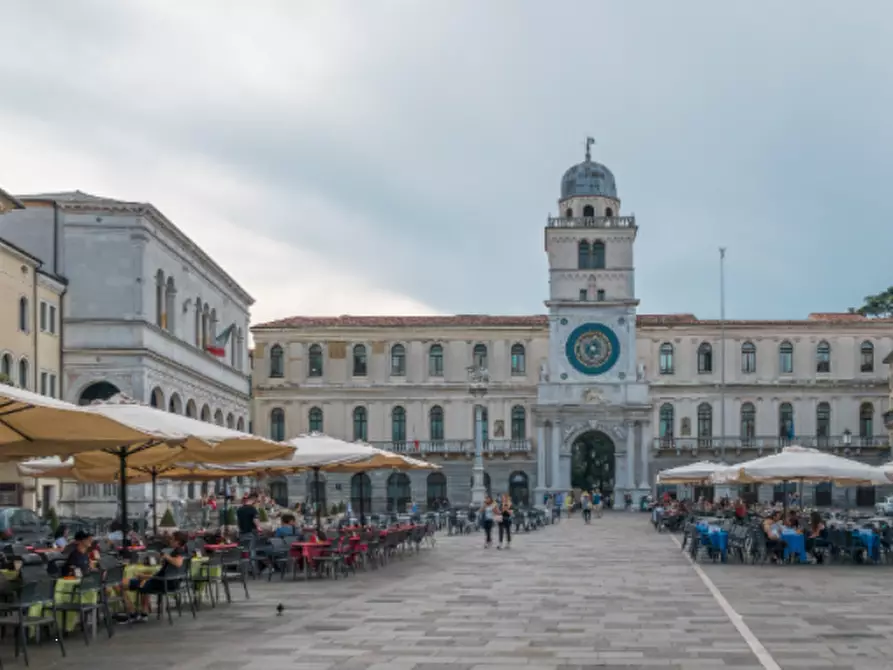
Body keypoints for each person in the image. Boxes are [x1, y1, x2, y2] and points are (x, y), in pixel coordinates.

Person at [127, 532, 187, 621]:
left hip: (163, 584)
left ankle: (132, 613)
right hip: (170, 582)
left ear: (177, 542)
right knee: (143, 580)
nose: (170, 541)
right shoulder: (184, 551)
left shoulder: (178, 552)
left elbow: (178, 563)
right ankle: (144, 612)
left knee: (122, 584)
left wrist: (167, 557)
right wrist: (146, 576)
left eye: (172, 539)